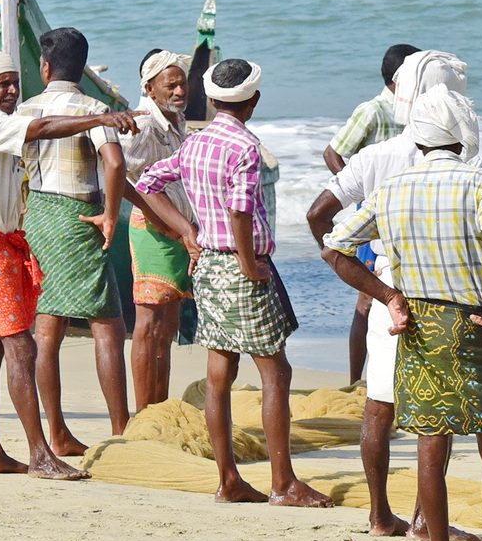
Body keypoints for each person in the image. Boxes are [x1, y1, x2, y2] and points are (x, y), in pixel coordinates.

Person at [323, 85, 482, 541]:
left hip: (419, 329)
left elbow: (336, 248)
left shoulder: (394, 187)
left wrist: (389, 298)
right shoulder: (480, 182)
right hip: (472, 326)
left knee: (431, 446)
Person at [131, 58, 333, 508]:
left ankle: (228, 480)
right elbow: (241, 210)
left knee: (219, 373)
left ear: (214, 98)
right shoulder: (244, 147)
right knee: (275, 372)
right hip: (241, 266)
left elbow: (147, 183)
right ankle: (283, 484)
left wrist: (187, 230)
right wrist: (247, 262)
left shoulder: (196, 142)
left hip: (208, 267)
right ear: (253, 100)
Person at [306, 49, 480, 541]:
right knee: (439, 407)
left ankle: (380, 515)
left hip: (388, 292)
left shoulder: (375, 157)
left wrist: (359, 270)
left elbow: (319, 216)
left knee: (379, 403)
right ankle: (426, 520)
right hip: (445, 293)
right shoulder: (463, 159)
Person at [0, 49, 135, 479]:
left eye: (15, 82)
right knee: (20, 344)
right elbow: (44, 127)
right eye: (3, 84)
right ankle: (40, 455)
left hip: (2, 238)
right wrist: (101, 120)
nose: (13, 91)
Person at [18, 27, 131, 452]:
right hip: (78, 214)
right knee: (107, 324)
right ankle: (121, 431)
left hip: (38, 216)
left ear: (45, 68)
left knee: (47, 327)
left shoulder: (26, 110)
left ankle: (59, 432)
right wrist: (110, 215)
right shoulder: (93, 108)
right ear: (82, 67)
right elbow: (115, 164)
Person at [323, 43, 420, 386]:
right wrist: (359, 195)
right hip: (376, 218)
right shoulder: (374, 110)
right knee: (367, 299)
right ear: (400, 79)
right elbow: (333, 152)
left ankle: (393, 376)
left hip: (406, 217)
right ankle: (356, 382)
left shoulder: (418, 112)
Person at [122, 49, 193, 412]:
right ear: (149, 88)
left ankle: (159, 407)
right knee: (148, 325)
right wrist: (159, 214)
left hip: (177, 232)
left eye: (182, 83)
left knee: (167, 325)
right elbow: (122, 175)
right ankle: (143, 410)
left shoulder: (176, 121)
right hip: (153, 231)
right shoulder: (145, 124)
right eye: (172, 85)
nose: (180, 90)